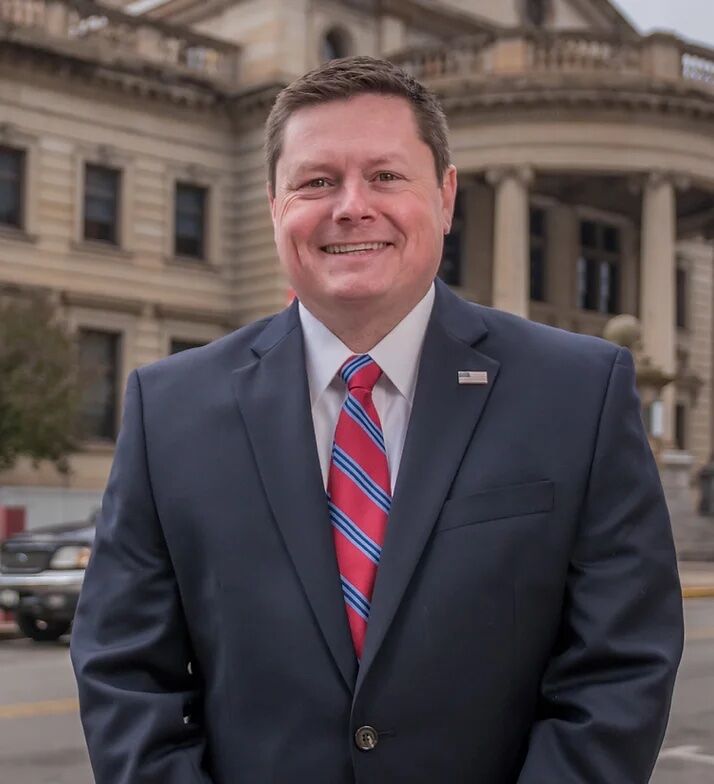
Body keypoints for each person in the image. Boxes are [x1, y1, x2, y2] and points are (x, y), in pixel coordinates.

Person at [71, 56, 684, 783]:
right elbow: (124, 674)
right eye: (316, 181)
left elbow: (619, 668)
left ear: (446, 197)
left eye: (386, 175)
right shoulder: (168, 408)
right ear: (274, 206)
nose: (351, 207)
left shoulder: (579, 392)